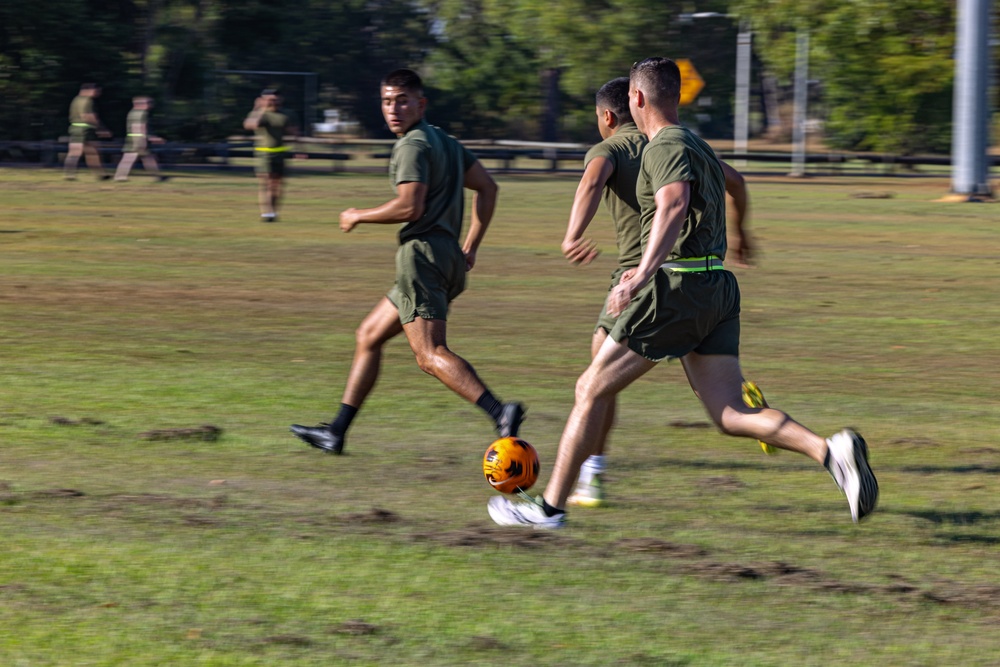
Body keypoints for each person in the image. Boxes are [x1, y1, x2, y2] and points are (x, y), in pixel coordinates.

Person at [488, 58, 878, 529]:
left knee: (589, 388)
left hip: (675, 285)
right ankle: (830, 451)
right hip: (715, 288)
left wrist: (640, 273)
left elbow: (673, 203)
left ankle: (548, 510)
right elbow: (735, 183)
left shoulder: (664, 145)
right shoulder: (697, 143)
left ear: (636, 99)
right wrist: (742, 235)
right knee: (730, 413)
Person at [290, 68, 524, 455]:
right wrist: (471, 246)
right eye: (386, 100)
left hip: (422, 258)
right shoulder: (444, 141)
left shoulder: (412, 145)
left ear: (420, 103)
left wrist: (357, 215)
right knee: (368, 336)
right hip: (446, 256)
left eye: (402, 100)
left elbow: (409, 206)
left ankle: (500, 412)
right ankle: (336, 431)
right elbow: (488, 187)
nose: (393, 108)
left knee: (429, 355)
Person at [561, 77, 763, 508]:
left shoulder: (610, 148)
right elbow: (737, 181)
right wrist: (742, 233)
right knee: (688, 368)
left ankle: (583, 482)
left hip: (643, 278)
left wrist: (572, 233)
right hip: (692, 273)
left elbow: (591, 183)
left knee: (596, 381)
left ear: (608, 116)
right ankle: (740, 393)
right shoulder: (683, 144)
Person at [243, 89, 299, 221]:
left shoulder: (287, 114)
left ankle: (274, 212)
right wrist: (259, 109)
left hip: (280, 152)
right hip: (264, 153)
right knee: (267, 183)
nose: (274, 102)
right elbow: (251, 125)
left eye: (276, 99)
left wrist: (299, 149)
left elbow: (294, 132)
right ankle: (266, 213)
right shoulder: (259, 114)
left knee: (277, 184)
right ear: (263, 100)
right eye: (270, 99)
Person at [64, 83, 111, 180]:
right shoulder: (88, 100)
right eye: (97, 91)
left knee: (74, 152)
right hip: (86, 129)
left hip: (75, 128)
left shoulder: (76, 99)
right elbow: (87, 115)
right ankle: (100, 174)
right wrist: (100, 128)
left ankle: (69, 174)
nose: (98, 94)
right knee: (92, 153)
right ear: (89, 90)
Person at [114, 97, 167, 182]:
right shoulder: (141, 113)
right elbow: (140, 127)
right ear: (142, 104)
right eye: (148, 103)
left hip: (134, 137)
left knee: (147, 157)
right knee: (130, 157)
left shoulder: (132, 112)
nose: (150, 105)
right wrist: (146, 138)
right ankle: (120, 176)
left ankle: (158, 176)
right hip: (138, 138)